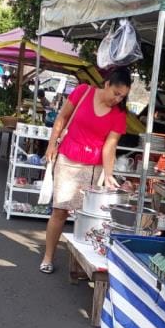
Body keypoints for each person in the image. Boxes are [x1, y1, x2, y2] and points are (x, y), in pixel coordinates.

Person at [39, 67, 132, 274]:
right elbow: (62, 118)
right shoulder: (83, 91)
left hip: (93, 167)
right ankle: (48, 256)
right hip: (67, 158)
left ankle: (83, 263)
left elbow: (110, 146)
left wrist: (109, 174)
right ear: (107, 84)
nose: (118, 99)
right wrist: (51, 144)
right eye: (116, 93)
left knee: (88, 216)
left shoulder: (119, 114)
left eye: (122, 96)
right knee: (60, 210)